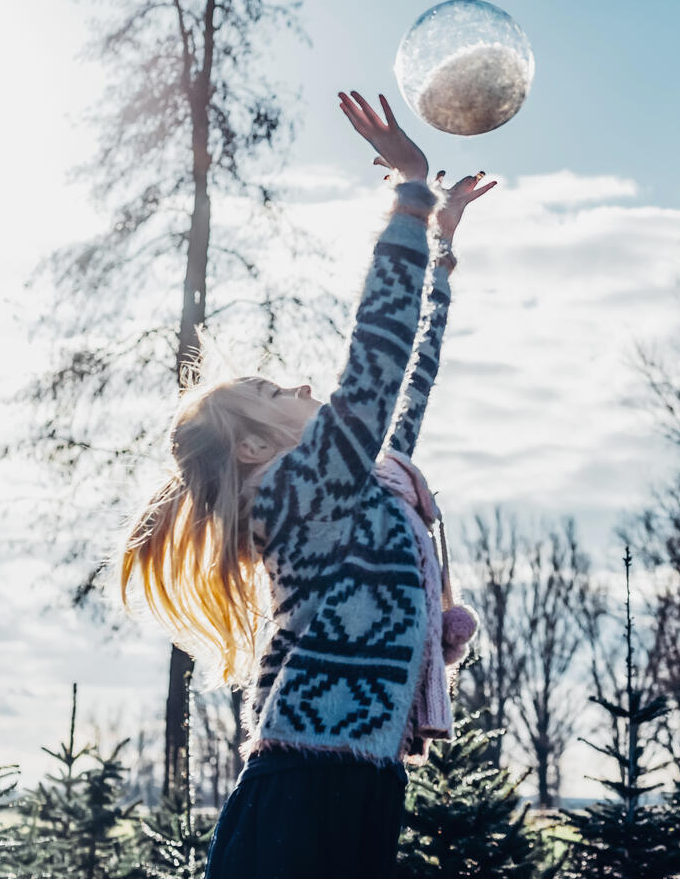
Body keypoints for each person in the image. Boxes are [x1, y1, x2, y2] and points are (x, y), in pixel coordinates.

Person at [114, 89, 496, 877]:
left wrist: (442, 253)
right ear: (255, 445)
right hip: (305, 785)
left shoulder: (362, 483)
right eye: (270, 392)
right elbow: (374, 362)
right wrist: (407, 196)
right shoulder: (295, 492)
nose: (293, 386)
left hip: (362, 780)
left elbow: (408, 379)